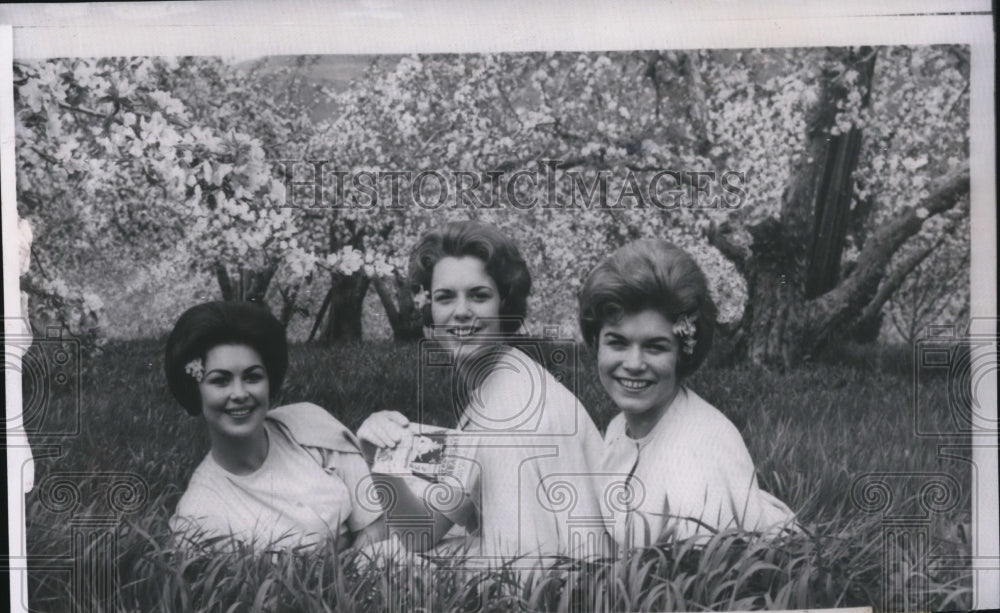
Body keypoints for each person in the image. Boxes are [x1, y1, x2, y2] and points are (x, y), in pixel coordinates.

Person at [357, 220, 611, 562]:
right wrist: (379, 460)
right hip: (525, 560)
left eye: (479, 296)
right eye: (445, 297)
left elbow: (523, 569)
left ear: (503, 304)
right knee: (372, 558)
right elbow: (421, 533)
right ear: (430, 307)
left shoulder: (511, 409)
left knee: (374, 563)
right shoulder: (491, 385)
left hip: (556, 576)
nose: (461, 312)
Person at [578, 239, 797, 549]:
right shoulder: (617, 430)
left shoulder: (698, 455)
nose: (634, 364)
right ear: (596, 342)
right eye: (618, 342)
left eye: (655, 347)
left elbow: (711, 584)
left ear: (683, 353)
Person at [165, 300, 386, 551]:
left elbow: (375, 524)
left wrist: (353, 573)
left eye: (252, 377)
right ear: (196, 391)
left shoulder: (310, 426)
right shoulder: (199, 512)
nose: (239, 393)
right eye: (220, 381)